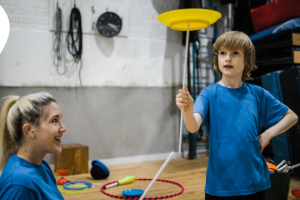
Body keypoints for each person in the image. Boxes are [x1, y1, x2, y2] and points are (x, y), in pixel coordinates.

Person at [176, 31, 298, 200]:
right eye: (223, 53)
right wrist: (188, 109)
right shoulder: (208, 94)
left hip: (255, 183)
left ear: (246, 59)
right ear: (217, 58)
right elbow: (193, 126)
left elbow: (291, 116)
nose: (227, 58)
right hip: (220, 185)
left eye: (235, 53)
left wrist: (268, 134)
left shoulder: (258, 94)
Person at [0, 92, 67, 199]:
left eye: (60, 119)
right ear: (29, 130)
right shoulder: (18, 183)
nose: (63, 128)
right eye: (54, 120)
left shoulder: (43, 166)